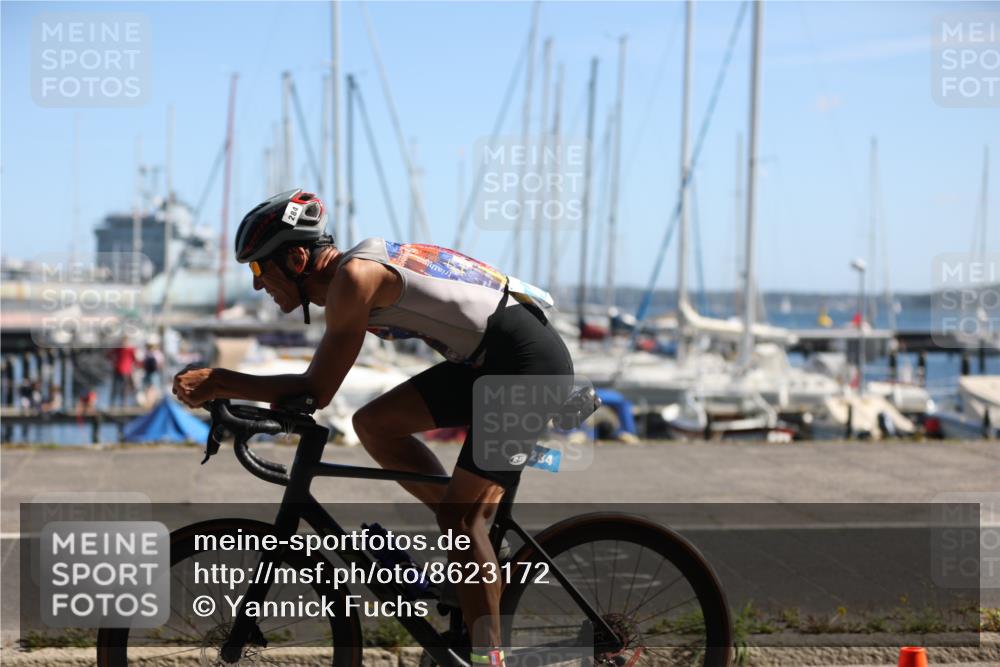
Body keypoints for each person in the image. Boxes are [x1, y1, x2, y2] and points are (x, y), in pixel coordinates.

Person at [173, 188, 574, 664]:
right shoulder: (351, 279)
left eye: (261, 269)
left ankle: (491, 656)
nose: (258, 284)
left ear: (299, 257)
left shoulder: (355, 278)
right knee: (375, 425)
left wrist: (221, 381)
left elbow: (317, 390)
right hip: (491, 362)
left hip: (526, 366)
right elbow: (314, 393)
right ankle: (474, 551)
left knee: (460, 521)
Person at [109, 341, 137, 407]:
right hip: (120, 370)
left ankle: (122, 403)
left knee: (122, 388)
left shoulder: (130, 350)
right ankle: (115, 403)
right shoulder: (120, 349)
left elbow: (134, 359)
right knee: (118, 387)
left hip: (125, 370)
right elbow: (108, 355)